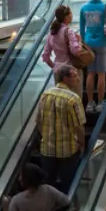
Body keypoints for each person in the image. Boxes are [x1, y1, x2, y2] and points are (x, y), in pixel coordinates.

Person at [36, 64, 86, 193]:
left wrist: (45, 136)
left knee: (48, 184)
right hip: (68, 151)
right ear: (65, 78)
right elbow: (79, 127)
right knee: (68, 185)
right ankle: (68, 209)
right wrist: (82, 144)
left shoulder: (45, 94)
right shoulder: (73, 99)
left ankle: (49, 210)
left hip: (47, 149)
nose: (78, 79)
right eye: (75, 76)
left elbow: (38, 120)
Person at [42, 4, 85, 72]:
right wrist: (79, 41)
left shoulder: (51, 33)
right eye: (70, 13)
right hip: (71, 71)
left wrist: (54, 67)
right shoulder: (68, 32)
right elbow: (76, 51)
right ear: (66, 17)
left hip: (58, 70)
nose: (72, 15)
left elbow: (46, 56)